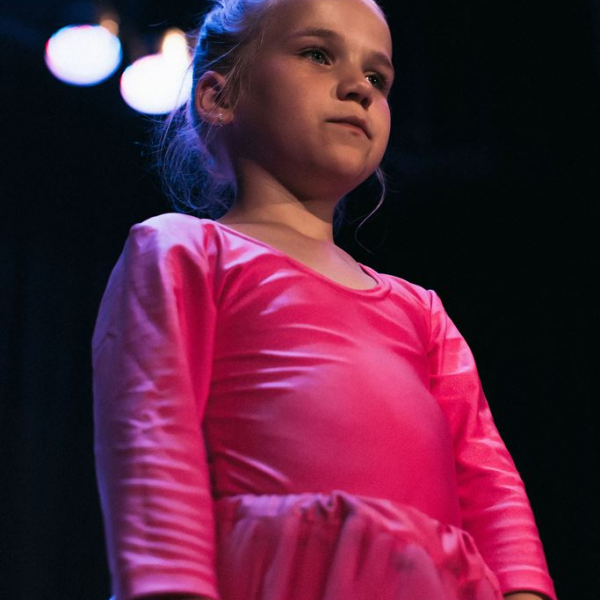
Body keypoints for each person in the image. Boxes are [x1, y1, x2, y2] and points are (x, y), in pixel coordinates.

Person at [92, 1, 557, 599]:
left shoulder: (421, 311)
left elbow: (487, 475)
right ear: (218, 96)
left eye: (377, 78)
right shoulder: (184, 251)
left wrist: (522, 589)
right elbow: (153, 440)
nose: (359, 88)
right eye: (317, 54)